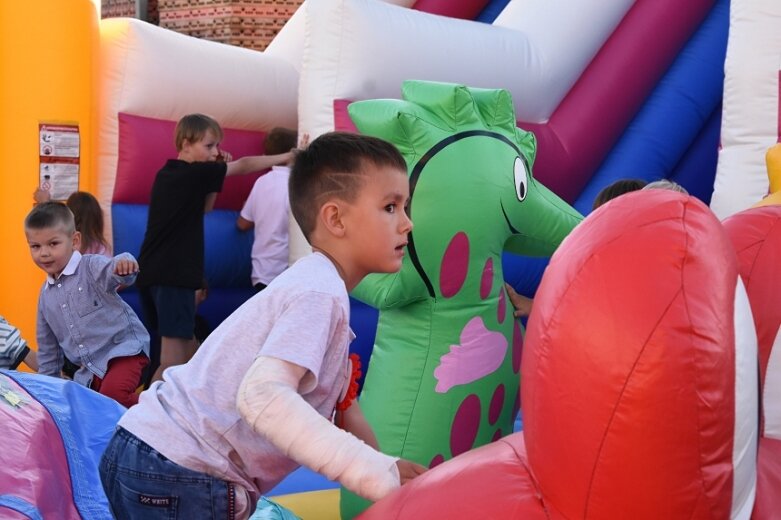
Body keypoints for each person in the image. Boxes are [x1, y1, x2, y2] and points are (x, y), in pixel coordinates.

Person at [99, 132, 427, 519]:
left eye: (406, 207)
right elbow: (263, 399)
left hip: (147, 451)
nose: (407, 223)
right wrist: (371, 471)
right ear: (336, 218)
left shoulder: (313, 287)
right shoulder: (319, 293)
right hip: (184, 469)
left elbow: (346, 409)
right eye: (391, 207)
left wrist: (388, 474)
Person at [135, 114, 295, 383]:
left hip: (156, 276)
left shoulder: (170, 173)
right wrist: (285, 157)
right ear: (186, 143)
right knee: (172, 365)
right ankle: (144, 421)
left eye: (217, 146)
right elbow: (244, 165)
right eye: (209, 146)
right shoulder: (192, 172)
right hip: (173, 278)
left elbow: (206, 207)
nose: (216, 152)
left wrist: (214, 175)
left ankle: (164, 418)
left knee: (186, 359)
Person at [24, 202, 150, 407]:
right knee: (88, 408)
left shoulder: (90, 267)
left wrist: (124, 265)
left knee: (114, 395)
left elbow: (114, 271)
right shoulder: (45, 298)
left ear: (74, 241)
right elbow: (49, 353)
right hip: (90, 371)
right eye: (35, 246)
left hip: (123, 352)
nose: (44, 253)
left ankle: (160, 411)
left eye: (53, 243)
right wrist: (48, 391)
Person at [236, 127, 299, 292]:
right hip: (287, 271)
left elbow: (242, 224)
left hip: (262, 271)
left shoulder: (261, 183)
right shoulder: (296, 185)